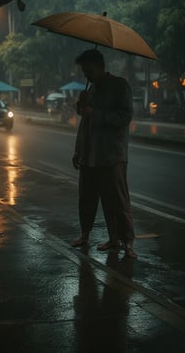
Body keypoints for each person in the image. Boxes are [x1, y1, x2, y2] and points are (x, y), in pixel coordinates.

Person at [71, 48, 137, 259]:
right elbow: (84, 125)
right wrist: (78, 150)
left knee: (117, 200)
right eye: (84, 72)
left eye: (89, 70)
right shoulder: (90, 91)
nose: (86, 75)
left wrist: (95, 114)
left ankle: (126, 242)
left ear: (100, 67)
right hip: (89, 156)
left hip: (112, 156)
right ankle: (87, 234)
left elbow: (124, 117)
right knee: (87, 198)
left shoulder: (119, 86)